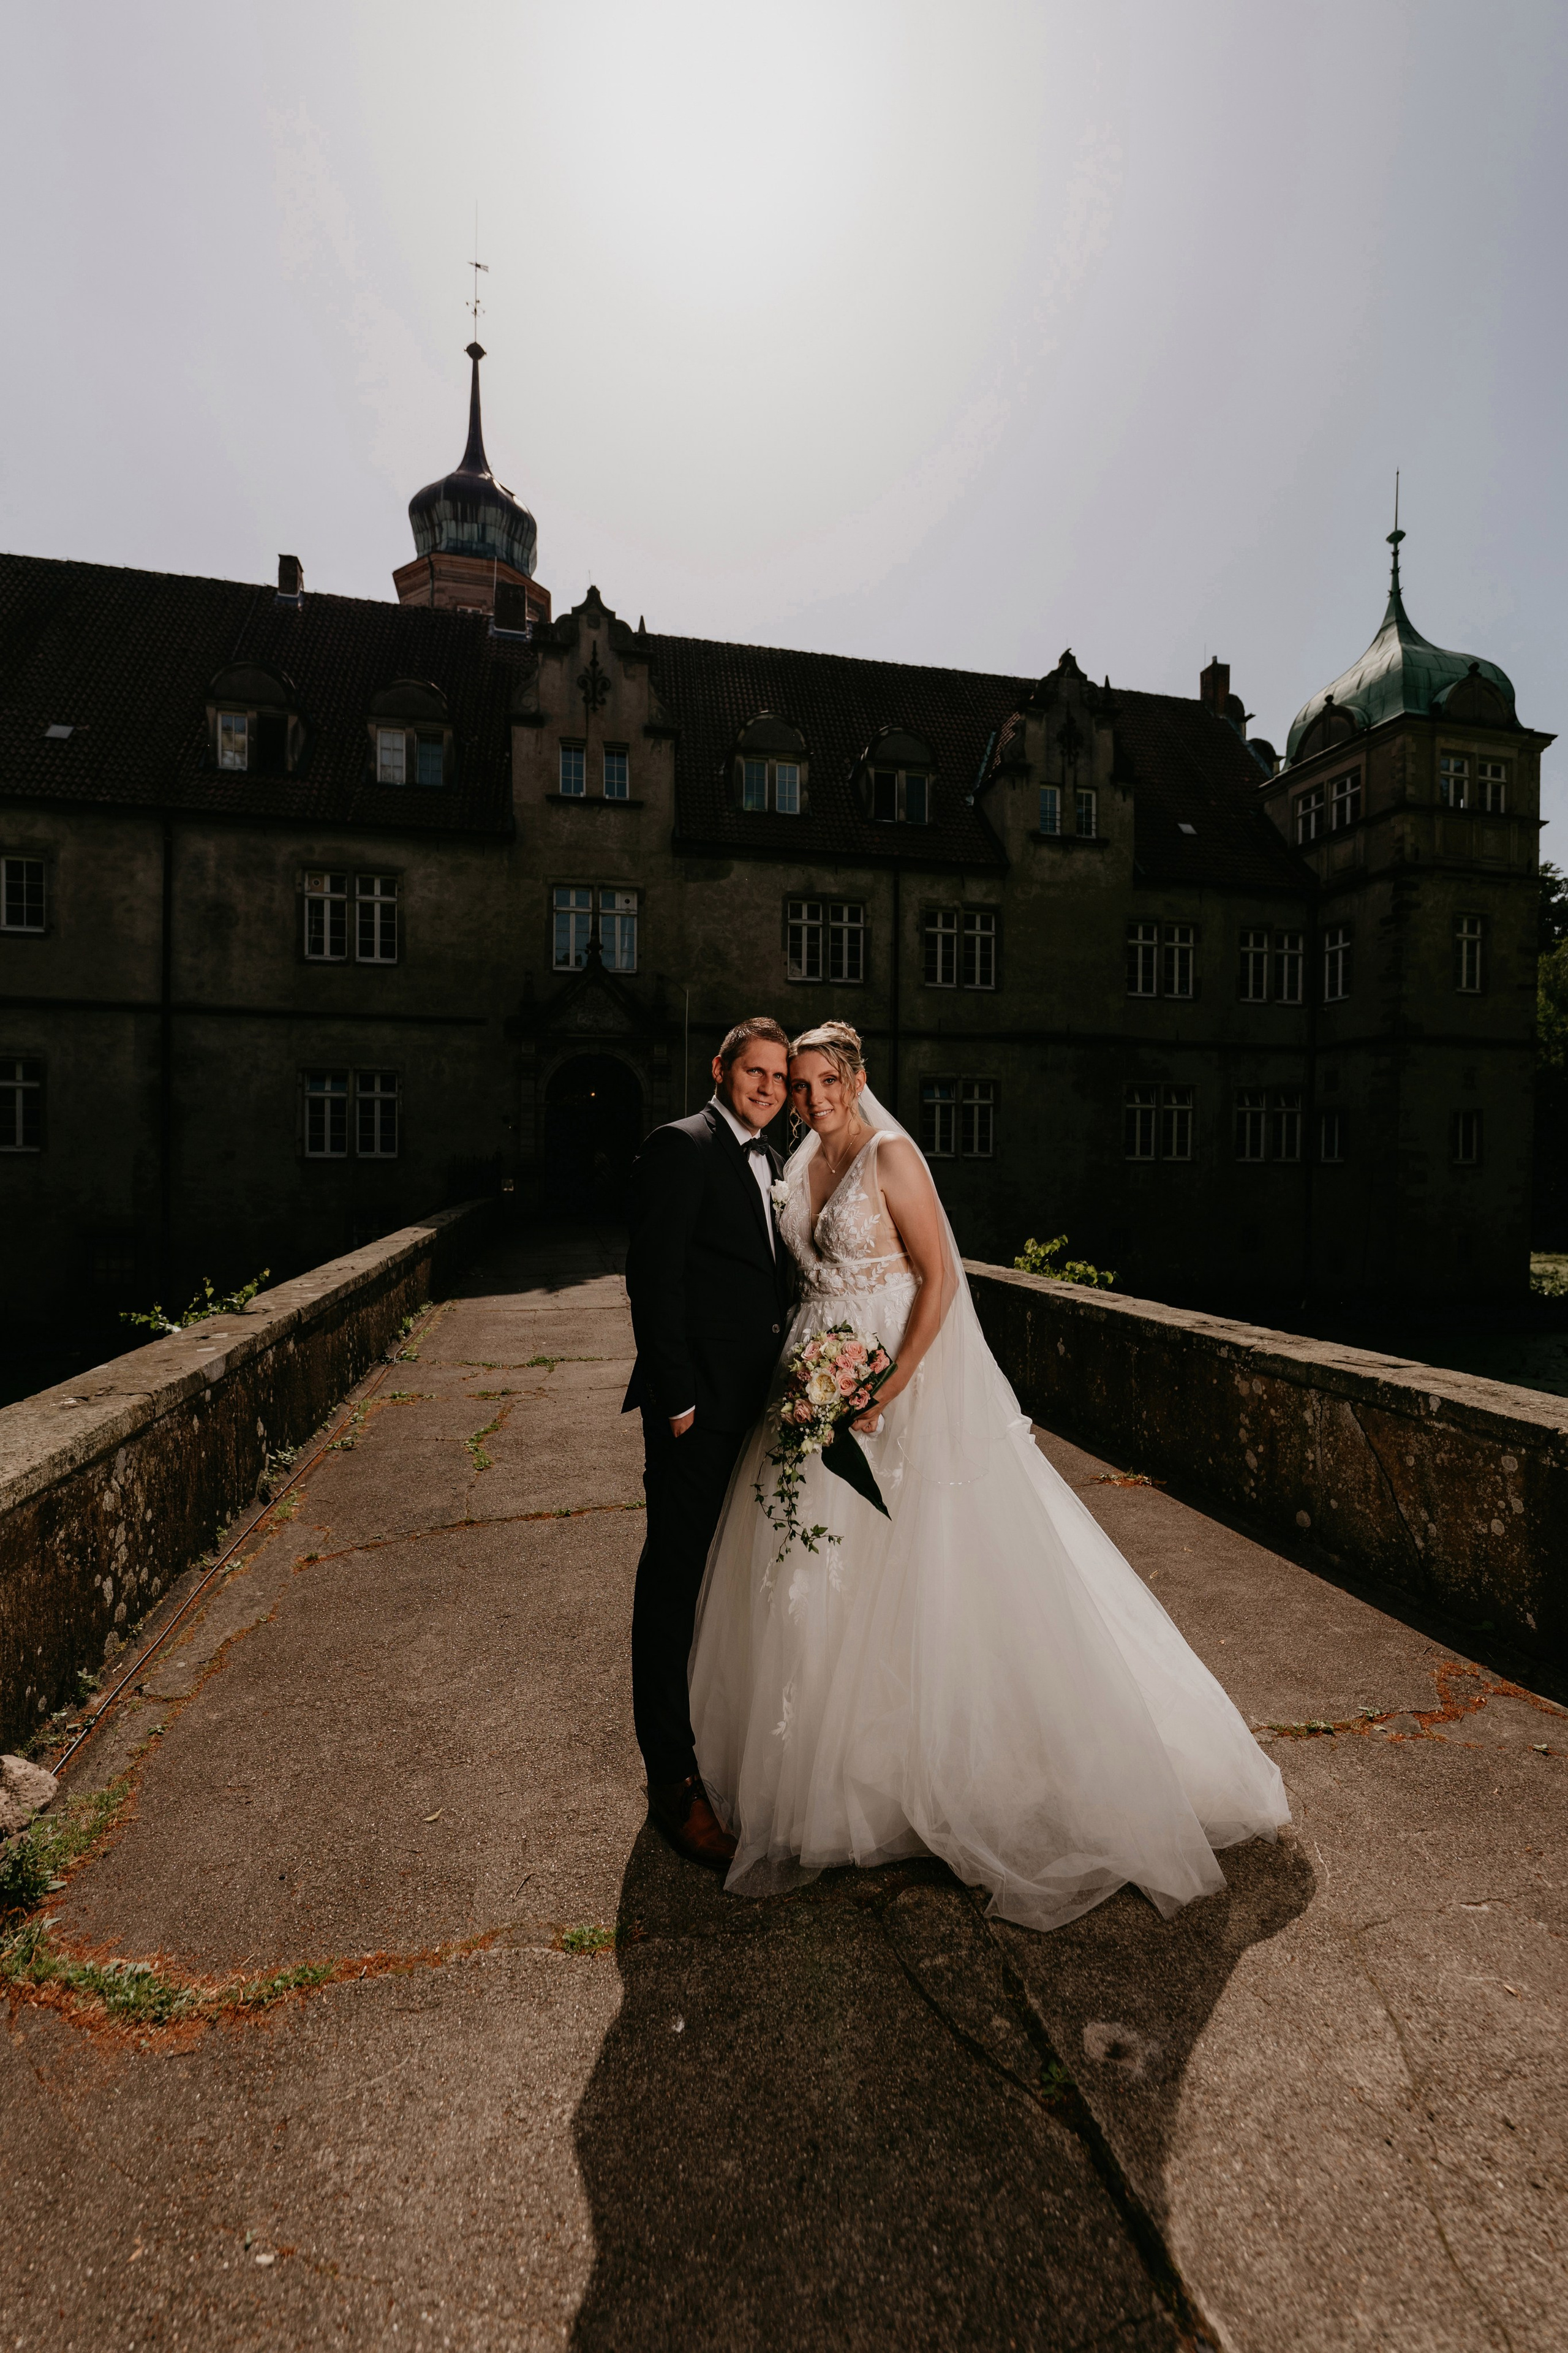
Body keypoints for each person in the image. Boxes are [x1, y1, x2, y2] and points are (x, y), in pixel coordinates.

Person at [687, 1021, 1290, 1933]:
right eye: (799, 1085)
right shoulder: (796, 1158)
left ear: (856, 1076)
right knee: (817, 1577)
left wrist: (887, 1385)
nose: (811, 1098)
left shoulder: (891, 1156)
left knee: (926, 1570)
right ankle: (841, 1776)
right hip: (811, 1386)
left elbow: (939, 1279)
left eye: (825, 1081)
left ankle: (950, 1773)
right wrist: (813, 1381)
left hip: (893, 1383)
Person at [622, 1016, 794, 1868]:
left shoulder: (777, 1160)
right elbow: (653, 1278)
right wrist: (677, 1396)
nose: (768, 1087)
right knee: (674, 1585)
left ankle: (729, 1752)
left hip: (761, 1411)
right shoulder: (682, 1145)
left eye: (780, 1076)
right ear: (722, 1069)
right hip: (698, 1413)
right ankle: (673, 1782)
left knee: (736, 1585)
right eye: (755, 1071)